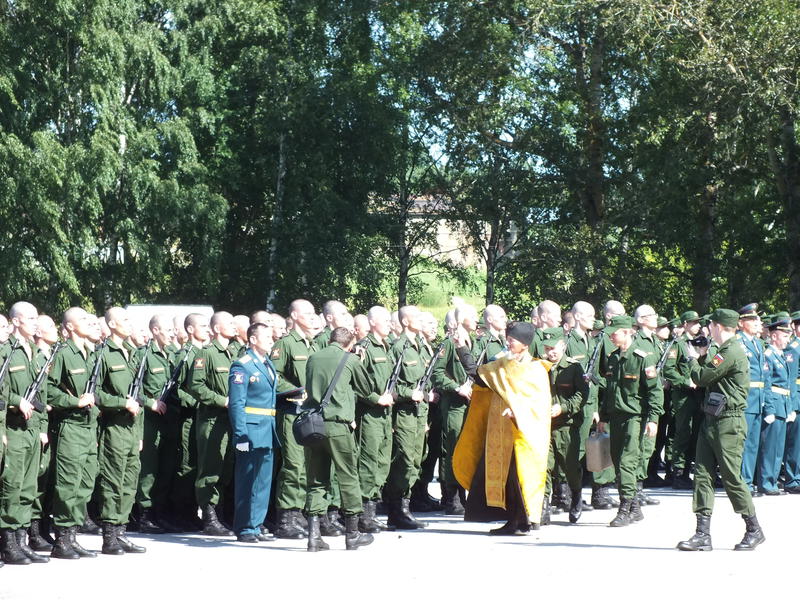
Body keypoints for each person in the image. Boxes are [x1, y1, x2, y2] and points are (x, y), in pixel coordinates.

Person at [677, 308, 765, 551]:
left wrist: (693, 358)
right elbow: (712, 376)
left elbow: (703, 378)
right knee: (703, 475)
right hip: (713, 418)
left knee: (731, 477)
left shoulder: (731, 351)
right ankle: (702, 534)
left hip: (729, 422)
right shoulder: (724, 351)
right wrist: (704, 355)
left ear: (718, 326)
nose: (708, 330)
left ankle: (754, 528)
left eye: (711, 326)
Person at [453, 321, 551, 535]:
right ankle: (512, 521)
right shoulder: (502, 364)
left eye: (512, 340)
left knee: (519, 478)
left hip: (523, 434)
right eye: (508, 339)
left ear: (525, 344)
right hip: (500, 432)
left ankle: (522, 521)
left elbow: (539, 403)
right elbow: (478, 375)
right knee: (505, 479)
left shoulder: (535, 369)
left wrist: (519, 413)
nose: (508, 342)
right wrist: (461, 348)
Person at [303, 327, 374, 551]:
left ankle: (314, 536)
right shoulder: (350, 358)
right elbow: (367, 388)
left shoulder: (313, 357)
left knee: (316, 479)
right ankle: (352, 534)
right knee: (348, 476)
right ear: (350, 343)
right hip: (337, 425)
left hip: (314, 425)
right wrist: (358, 360)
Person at [597, 315, 662, 527]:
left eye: (614, 333)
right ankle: (635, 507)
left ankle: (624, 508)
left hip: (635, 417)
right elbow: (609, 391)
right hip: (616, 417)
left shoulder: (642, 357)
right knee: (617, 460)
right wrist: (603, 417)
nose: (611, 337)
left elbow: (654, 391)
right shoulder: (613, 357)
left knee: (627, 462)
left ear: (627, 332)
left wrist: (653, 419)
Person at [46, 307, 99, 559]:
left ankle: (74, 534)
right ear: (68, 327)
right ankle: (62, 539)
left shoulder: (90, 354)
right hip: (70, 425)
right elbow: (47, 390)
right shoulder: (63, 353)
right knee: (68, 484)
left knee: (85, 483)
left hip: (89, 427)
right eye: (83, 320)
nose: (89, 323)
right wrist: (75, 402)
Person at [0, 301, 49, 564]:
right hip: (13, 428)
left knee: (28, 487)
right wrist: (16, 399)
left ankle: (21, 541)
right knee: (12, 486)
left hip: (32, 430)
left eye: (36, 317)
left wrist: (41, 429)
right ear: (16, 321)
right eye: (30, 318)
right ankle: (8, 543)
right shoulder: (7, 350)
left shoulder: (35, 352)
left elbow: (41, 396)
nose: (35, 322)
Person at [96, 306, 145, 555]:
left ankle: (121, 531)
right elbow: (95, 393)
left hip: (131, 428)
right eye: (124, 319)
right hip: (114, 426)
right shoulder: (104, 354)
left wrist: (140, 435)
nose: (129, 323)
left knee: (129, 482)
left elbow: (141, 398)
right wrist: (121, 403)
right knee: (113, 481)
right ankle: (109, 535)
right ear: (112, 324)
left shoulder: (133, 353)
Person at [270, 299, 318, 538]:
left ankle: (298, 513)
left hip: (309, 414)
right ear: (295, 315)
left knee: (306, 466)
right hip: (290, 412)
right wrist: (296, 391)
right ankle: (285, 518)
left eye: (313, 313)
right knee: (293, 465)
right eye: (308, 313)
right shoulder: (285, 344)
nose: (313, 316)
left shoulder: (312, 345)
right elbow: (274, 376)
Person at [228, 322, 278, 543]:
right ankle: (244, 527)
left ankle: (256, 525)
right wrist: (240, 434)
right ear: (253, 339)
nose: (271, 339)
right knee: (247, 480)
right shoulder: (242, 365)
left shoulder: (267, 363)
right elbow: (237, 404)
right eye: (266, 336)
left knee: (263, 482)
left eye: (271, 336)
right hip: (250, 430)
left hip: (267, 429)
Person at [189, 310, 236, 536]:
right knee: (210, 469)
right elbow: (196, 386)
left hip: (232, 420)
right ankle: (209, 517)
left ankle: (222, 513)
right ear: (217, 328)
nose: (234, 326)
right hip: (212, 419)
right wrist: (221, 400)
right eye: (229, 323)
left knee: (227, 467)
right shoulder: (205, 354)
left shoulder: (235, 353)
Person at [134, 313, 179, 534]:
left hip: (169, 419)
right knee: (149, 469)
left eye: (172, 329)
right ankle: (145, 514)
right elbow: (132, 389)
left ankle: (160, 512)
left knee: (166, 467)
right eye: (167, 329)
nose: (172, 333)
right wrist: (150, 402)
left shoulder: (173, 355)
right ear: (154, 331)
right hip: (150, 420)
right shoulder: (143, 355)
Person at [432, 303, 477, 515]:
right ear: (461, 319)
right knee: (453, 449)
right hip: (454, 406)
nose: (477, 318)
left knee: (467, 449)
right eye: (473, 315)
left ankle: (465, 492)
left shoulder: (474, 341)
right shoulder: (449, 343)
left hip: (471, 405)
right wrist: (457, 387)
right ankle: (452, 497)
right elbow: (437, 374)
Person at [354, 306, 395, 533]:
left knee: (382, 462)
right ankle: (363, 514)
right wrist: (375, 398)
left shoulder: (386, 347)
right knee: (368, 462)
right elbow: (356, 383)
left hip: (385, 414)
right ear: (372, 323)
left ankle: (372, 508)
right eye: (385, 320)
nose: (389, 324)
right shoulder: (365, 348)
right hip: (370, 413)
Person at [542, 327, 589, 523]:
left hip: (566, 426)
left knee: (569, 466)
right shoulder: (540, 367)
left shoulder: (573, 367)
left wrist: (563, 407)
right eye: (547, 348)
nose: (550, 352)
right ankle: (543, 507)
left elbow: (582, 394)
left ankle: (576, 496)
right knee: (544, 466)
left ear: (562, 345)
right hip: (544, 425)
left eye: (554, 348)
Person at [757, 315, 794, 495]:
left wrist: (789, 408)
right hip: (774, 404)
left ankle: (771, 481)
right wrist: (769, 409)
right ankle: (765, 482)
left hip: (783, 405)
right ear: (773, 336)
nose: (788, 338)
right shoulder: (769, 355)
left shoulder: (781, 355)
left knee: (778, 447)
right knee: (769, 447)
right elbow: (767, 384)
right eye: (784, 335)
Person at [736, 303, 769, 491]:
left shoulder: (757, 343)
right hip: (745, 399)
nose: (758, 322)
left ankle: (747, 481)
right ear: (741, 323)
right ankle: (741, 483)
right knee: (743, 443)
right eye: (752, 319)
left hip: (757, 400)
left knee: (753, 444)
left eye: (758, 319)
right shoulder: (738, 342)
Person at [783, 311, 800, 493]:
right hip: (798, 398)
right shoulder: (793, 348)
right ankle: (792, 479)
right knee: (795, 442)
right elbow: (791, 379)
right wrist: (793, 405)